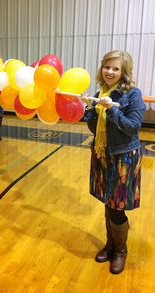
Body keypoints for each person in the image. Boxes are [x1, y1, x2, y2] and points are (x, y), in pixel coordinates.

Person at [82, 50, 146, 274]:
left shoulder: (133, 94)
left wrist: (111, 110)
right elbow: (93, 128)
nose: (109, 71)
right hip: (103, 153)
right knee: (108, 202)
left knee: (117, 206)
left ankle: (120, 251)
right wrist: (89, 109)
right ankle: (110, 245)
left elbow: (133, 127)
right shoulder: (101, 92)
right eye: (106, 67)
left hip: (124, 156)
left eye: (115, 68)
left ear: (124, 71)